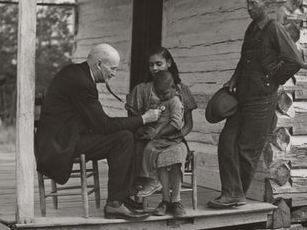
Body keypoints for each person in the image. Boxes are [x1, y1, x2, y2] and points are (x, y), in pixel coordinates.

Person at [36, 43, 162, 220]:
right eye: (113, 68)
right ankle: (115, 204)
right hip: (60, 144)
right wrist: (143, 119)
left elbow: (97, 121)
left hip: (66, 135)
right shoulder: (82, 82)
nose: (114, 74)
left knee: (124, 136)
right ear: (99, 64)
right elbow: (104, 125)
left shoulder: (77, 73)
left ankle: (121, 197)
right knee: (123, 138)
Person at [207, 0, 302, 209]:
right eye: (247, 3)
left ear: (266, 5)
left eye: (254, 4)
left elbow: (295, 61)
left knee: (247, 149)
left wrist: (274, 79)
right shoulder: (251, 29)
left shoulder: (274, 29)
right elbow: (244, 59)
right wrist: (233, 79)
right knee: (227, 141)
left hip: (261, 98)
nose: (249, 8)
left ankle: (237, 194)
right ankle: (231, 192)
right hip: (243, 95)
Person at [126, 46, 198, 214]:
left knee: (175, 152)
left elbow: (188, 124)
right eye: (151, 65)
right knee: (142, 150)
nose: (154, 68)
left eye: (159, 64)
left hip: (173, 137)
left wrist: (178, 135)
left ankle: (174, 201)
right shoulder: (141, 89)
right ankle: (149, 190)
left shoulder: (180, 89)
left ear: (169, 63)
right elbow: (133, 121)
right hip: (147, 138)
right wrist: (144, 133)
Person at [137, 70, 187, 217]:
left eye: (164, 93)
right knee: (148, 150)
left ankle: (176, 201)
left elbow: (176, 124)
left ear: (174, 88)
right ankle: (155, 185)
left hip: (173, 141)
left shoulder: (175, 101)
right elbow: (159, 121)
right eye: (158, 93)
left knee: (174, 157)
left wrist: (157, 132)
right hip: (160, 141)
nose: (161, 96)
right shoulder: (162, 101)